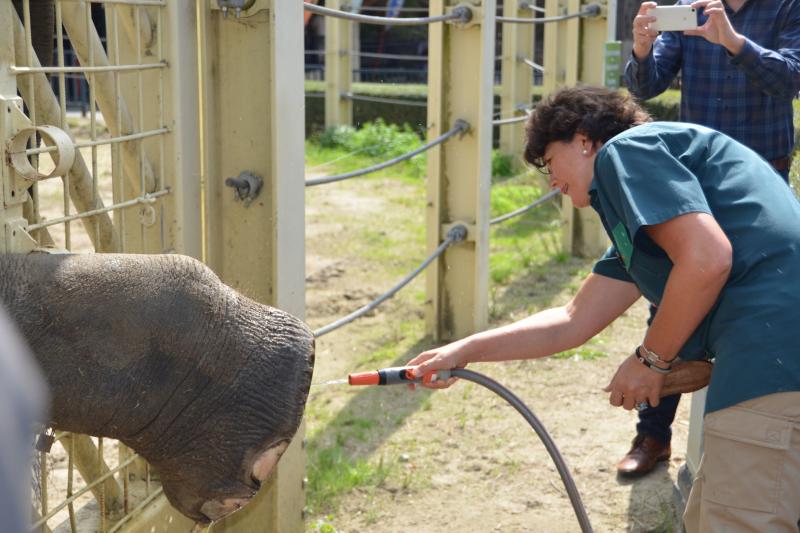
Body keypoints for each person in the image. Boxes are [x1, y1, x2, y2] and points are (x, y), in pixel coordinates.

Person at [407, 86, 800, 531]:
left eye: (549, 161)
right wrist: (463, 350)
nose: (551, 181)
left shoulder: (626, 152)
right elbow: (572, 321)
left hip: (771, 362)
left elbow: (708, 259)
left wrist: (650, 359)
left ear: (583, 138)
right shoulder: (650, 214)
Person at [620, 0, 800, 476]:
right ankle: (653, 434)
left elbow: (792, 78)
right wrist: (641, 49)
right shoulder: (690, 9)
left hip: (761, 184)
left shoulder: (787, 7)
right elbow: (645, 85)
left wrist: (734, 43)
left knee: (761, 301)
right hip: (691, 183)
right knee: (670, 294)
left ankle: (756, 434)